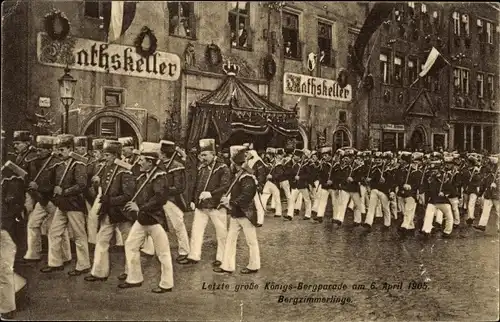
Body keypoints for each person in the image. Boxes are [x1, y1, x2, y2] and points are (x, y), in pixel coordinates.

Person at [120, 142, 173, 293]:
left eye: (142, 160)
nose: (139, 162)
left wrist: (140, 208)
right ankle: (134, 278)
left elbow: (159, 199)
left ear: (150, 162)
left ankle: (166, 284)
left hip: (155, 220)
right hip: (142, 219)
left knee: (163, 253)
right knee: (130, 245)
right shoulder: (144, 176)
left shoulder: (160, 177)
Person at [40, 134, 91, 276]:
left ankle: (83, 265)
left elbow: (82, 185)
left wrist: (64, 191)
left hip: (74, 205)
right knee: (54, 232)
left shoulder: (78, 164)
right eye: (58, 149)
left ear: (70, 149)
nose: (59, 152)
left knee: (79, 236)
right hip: (63, 205)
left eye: (62, 149)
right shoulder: (60, 164)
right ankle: (56, 262)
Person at [85, 140, 135, 283]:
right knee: (102, 240)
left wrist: (110, 201)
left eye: (107, 155)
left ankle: (130, 272)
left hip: (122, 213)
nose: (104, 158)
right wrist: (96, 185)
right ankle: (99, 272)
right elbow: (101, 192)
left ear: (115, 156)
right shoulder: (105, 169)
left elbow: (128, 195)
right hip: (109, 212)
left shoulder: (125, 171)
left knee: (129, 243)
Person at [178, 138, 230, 266]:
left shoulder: (223, 168)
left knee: (221, 232)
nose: (203, 157)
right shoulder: (202, 167)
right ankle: (194, 256)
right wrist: (192, 200)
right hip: (201, 205)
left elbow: (225, 186)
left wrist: (211, 194)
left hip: (216, 205)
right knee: (196, 230)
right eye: (201, 155)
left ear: (213, 154)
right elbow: (196, 185)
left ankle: (222, 257)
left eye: (205, 155)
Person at [23, 135, 72, 264]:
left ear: (49, 150)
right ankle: (34, 254)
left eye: (41, 150)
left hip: (53, 201)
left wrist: (39, 187)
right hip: (42, 200)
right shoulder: (34, 162)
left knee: (57, 229)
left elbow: (58, 184)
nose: (38, 152)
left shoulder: (58, 163)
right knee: (33, 224)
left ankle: (65, 256)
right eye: (37, 150)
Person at [214, 145, 260, 275]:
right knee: (230, 239)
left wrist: (230, 202)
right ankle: (227, 266)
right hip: (236, 213)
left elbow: (246, 196)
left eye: (232, 162)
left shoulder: (247, 177)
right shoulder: (237, 175)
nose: (231, 164)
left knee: (251, 240)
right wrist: (228, 199)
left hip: (246, 213)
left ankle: (254, 265)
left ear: (235, 163)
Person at [1, 131, 28, 320]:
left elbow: (14, 202)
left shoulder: (11, 174)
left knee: (3, 268)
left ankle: (7, 308)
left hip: (5, 225)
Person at [159, 140, 190, 263]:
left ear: (163, 153)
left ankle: (184, 251)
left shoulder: (176, 166)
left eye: (160, 152)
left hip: (173, 201)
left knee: (178, 226)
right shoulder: (160, 164)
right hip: (160, 199)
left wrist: (164, 190)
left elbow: (179, 187)